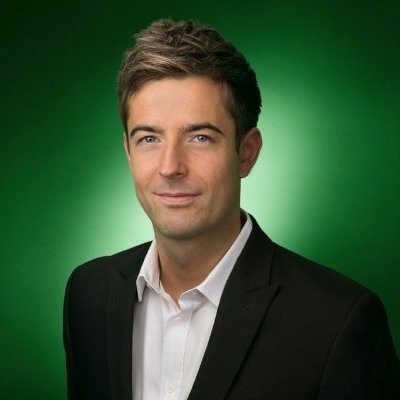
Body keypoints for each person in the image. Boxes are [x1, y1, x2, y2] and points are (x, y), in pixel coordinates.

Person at [63, 19, 400, 399]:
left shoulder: (338, 321)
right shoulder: (88, 295)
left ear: (246, 153)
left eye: (200, 137)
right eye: (149, 138)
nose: (170, 166)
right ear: (128, 151)